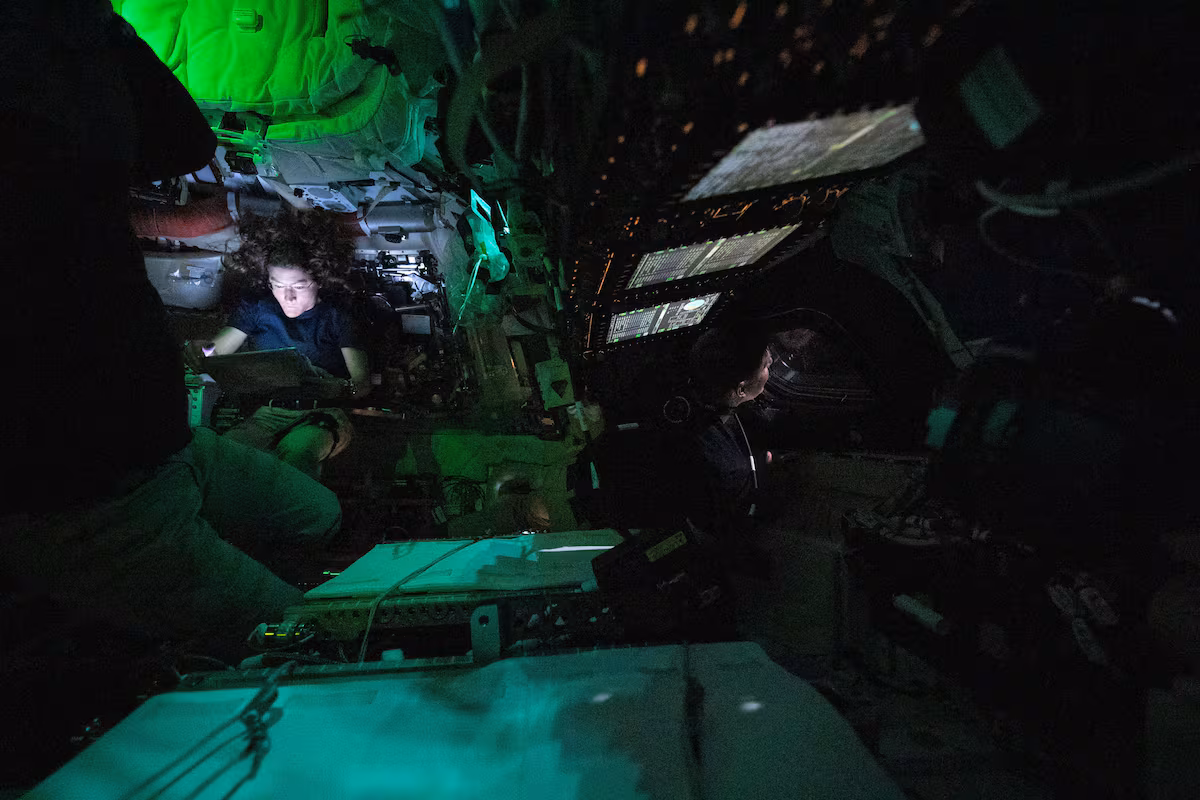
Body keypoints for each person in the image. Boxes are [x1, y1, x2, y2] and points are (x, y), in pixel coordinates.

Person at [1, 4, 341, 651]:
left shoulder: (61, 63)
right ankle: (223, 637)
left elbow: (183, 143)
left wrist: (95, 27)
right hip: (89, 502)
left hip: (170, 448)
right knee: (305, 644)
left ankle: (227, 599)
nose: (289, 296)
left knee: (315, 516)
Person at [190, 210, 371, 479]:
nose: (287, 297)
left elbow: (362, 383)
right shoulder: (258, 309)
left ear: (318, 281)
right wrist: (201, 350)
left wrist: (339, 387)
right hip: (268, 414)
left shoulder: (337, 317)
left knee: (297, 451)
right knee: (222, 454)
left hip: (323, 414)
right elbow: (213, 354)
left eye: (299, 286)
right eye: (277, 285)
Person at [677, 321, 775, 550]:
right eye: (764, 366)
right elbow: (727, 523)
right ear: (741, 389)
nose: (771, 361)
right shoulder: (732, 468)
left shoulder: (691, 387)